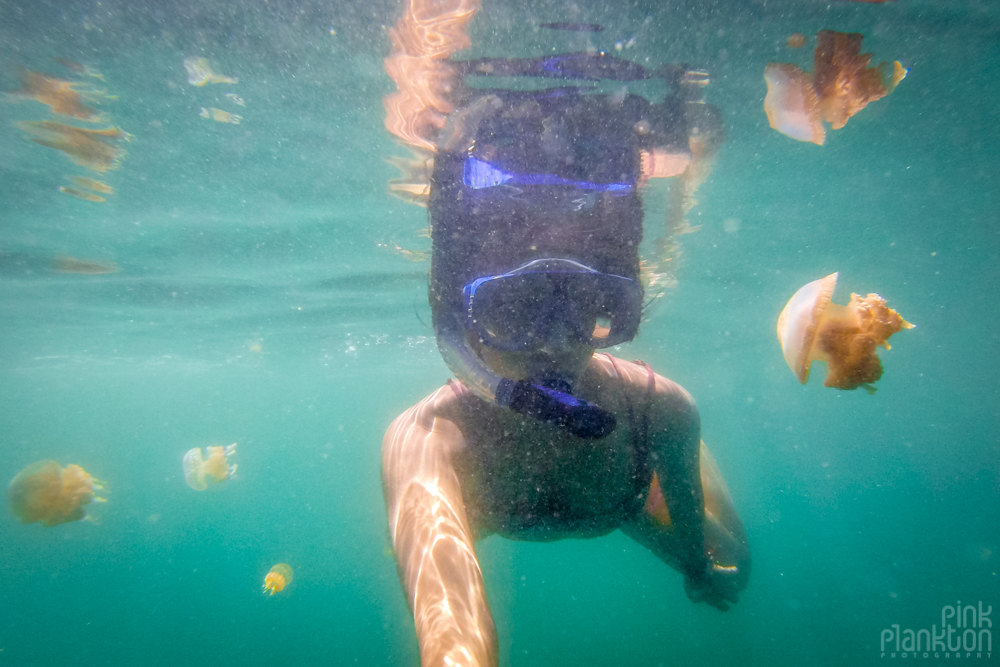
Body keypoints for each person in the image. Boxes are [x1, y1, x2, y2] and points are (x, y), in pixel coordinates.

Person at [381, 50, 750, 667]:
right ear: (458, 322)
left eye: (590, 306)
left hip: (627, 501)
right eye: (517, 308)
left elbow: (706, 559)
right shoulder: (426, 441)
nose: (556, 342)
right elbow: (447, 627)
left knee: (736, 569)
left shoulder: (660, 411)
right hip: (608, 497)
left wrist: (697, 566)